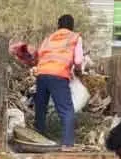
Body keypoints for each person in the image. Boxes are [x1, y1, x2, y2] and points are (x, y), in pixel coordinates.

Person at [34, 14, 83, 150]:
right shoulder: (75, 37)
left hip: (42, 74)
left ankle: (37, 142)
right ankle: (67, 144)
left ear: (58, 26)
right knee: (66, 110)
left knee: (41, 109)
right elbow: (78, 61)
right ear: (72, 26)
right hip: (59, 74)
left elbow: (38, 55)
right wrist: (78, 71)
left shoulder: (48, 38)